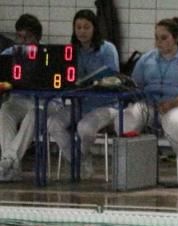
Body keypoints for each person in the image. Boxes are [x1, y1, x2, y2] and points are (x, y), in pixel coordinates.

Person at [122, 17, 178, 185]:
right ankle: (135, 170)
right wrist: (140, 100)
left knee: (174, 121)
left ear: (176, 38)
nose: (158, 42)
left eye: (164, 38)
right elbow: (133, 86)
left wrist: (174, 103)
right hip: (152, 106)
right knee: (128, 117)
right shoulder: (146, 59)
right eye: (156, 38)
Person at [47, 9, 120, 180]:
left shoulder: (107, 49)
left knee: (84, 128)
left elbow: (115, 79)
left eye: (86, 27)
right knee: (53, 123)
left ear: (94, 29)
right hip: (80, 103)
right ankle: (78, 158)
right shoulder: (71, 50)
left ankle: (80, 155)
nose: (82, 31)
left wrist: (96, 83)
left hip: (106, 105)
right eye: (78, 27)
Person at [0, 14, 44, 183]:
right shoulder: (9, 54)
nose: (23, 42)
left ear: (37, 38)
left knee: (34, 113)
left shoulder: (47, 55)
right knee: (5, 110)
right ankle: (12, 167)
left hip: (44, 102)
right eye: (19, 37)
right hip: (19, 100)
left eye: (28, 38)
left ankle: (8, 160)